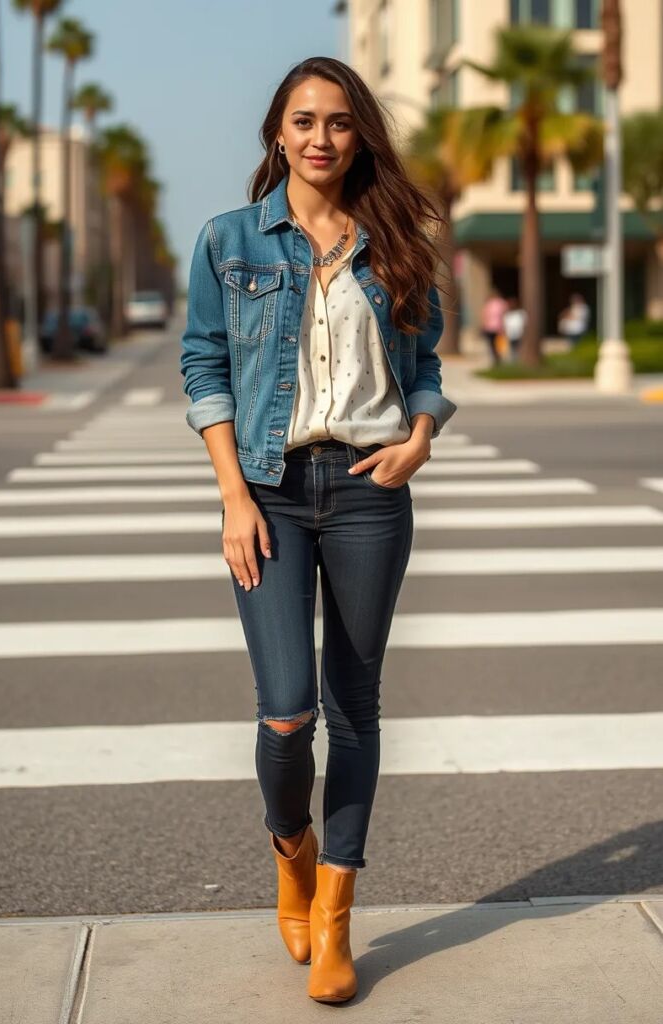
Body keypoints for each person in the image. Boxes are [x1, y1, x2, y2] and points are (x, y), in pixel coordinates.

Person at [180, 56, 457, 1004]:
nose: (320, 138)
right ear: (276, 133)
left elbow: (423, 362)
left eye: (338, 122)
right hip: (271, 487)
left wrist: (420, 438)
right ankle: (288, 848)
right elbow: (203, 364)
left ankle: (336, 913)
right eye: (302, 121)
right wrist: (233, 497)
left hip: (372, 487)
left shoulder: (399, 239)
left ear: (358, 133)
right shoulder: (228, 240)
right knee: (286, 708)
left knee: (355, 705)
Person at [480, 289, 508, 366]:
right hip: (499, 327)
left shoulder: (488, 304)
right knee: (499, 344)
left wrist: (484, 325)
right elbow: (505, 314)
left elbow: (484, 315)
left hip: (489, 327)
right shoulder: (501, 303)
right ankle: (498, 358)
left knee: (492, 344)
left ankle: (495, 358)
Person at [502, 297, 527, 363]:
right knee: (512, 348)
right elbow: (505, 324)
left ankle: (520, 360)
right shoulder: (507, 314)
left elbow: (525, 323)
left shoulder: (521, 313)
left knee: (519, 348)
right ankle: (514, 361)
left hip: (519, 334)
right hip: (511, 334)